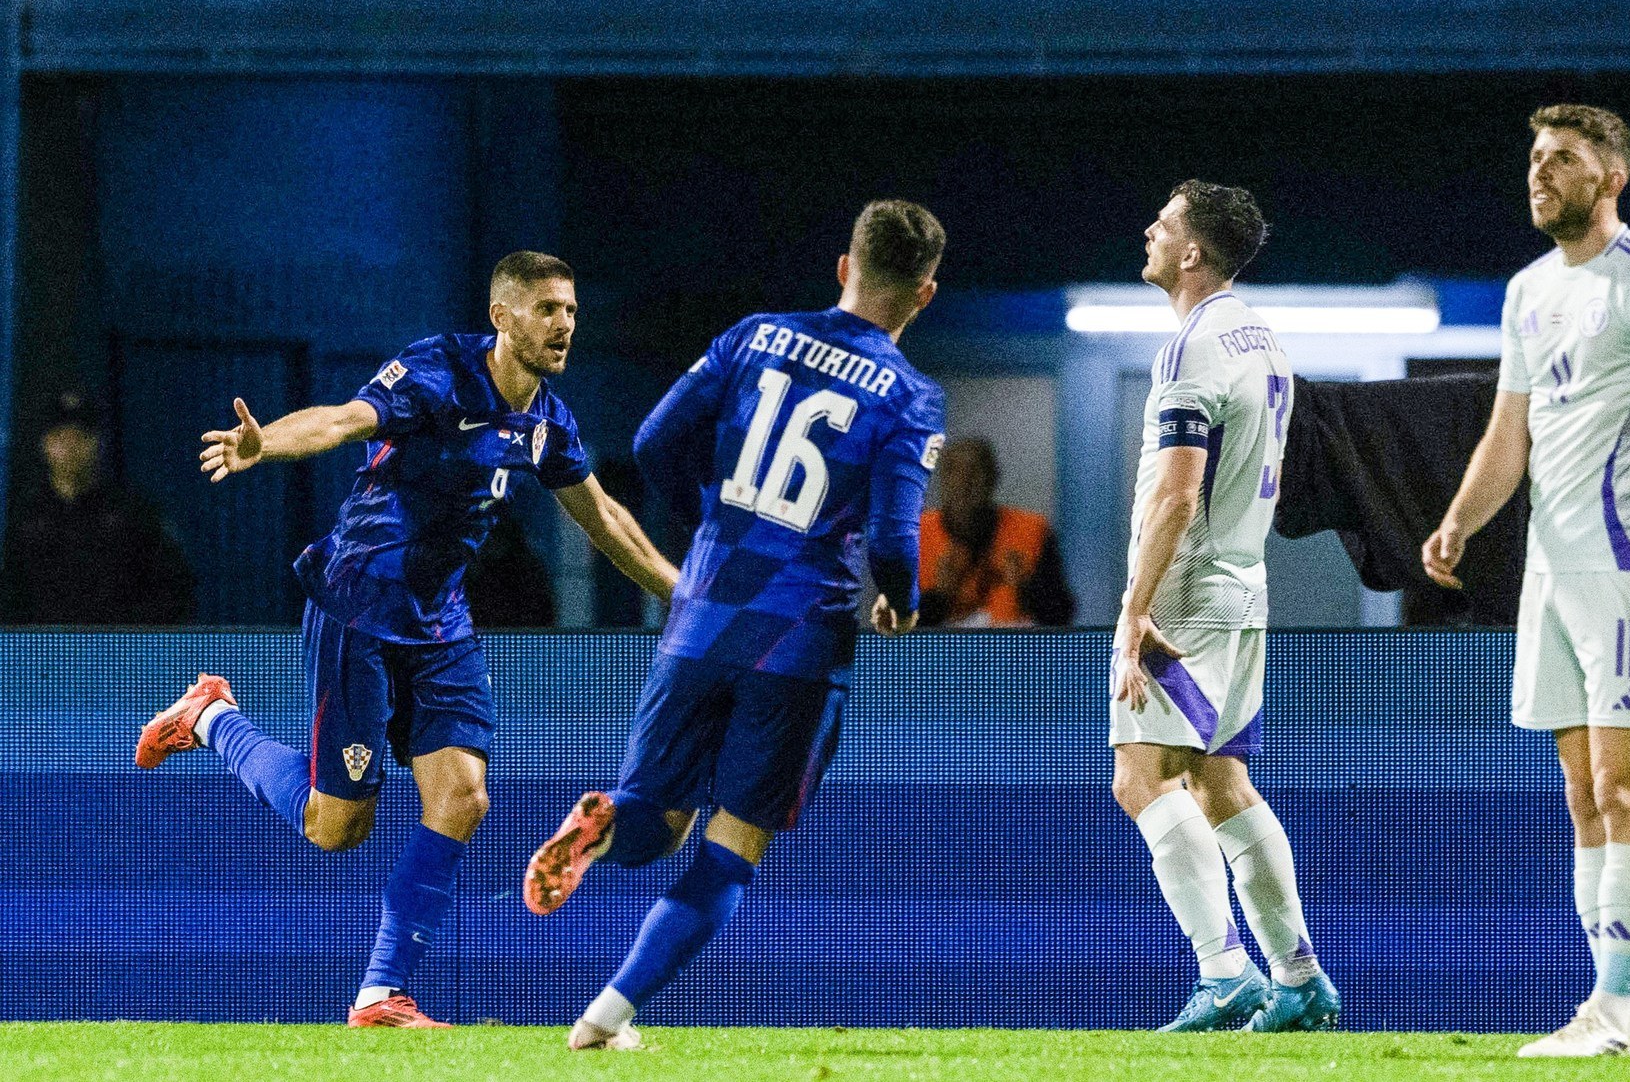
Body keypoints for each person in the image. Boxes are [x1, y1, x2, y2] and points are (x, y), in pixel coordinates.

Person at [133, 252, 678, 1027]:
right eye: (548, 309)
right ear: (503, 315)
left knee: (464, 795)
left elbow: (606, 518)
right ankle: (212, 717)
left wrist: (683, 596)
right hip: (359, 606)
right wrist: (268, 444)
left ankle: (380, 993)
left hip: (441, 621)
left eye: (572, 311)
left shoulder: (548, 421)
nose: (564, 325)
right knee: (335, 827)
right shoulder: (437, 371)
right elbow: (343, 419)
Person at [519, 200, 947, 1051]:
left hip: (700, 616)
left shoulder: (754, 335)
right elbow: (897, 538)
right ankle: (605, 1019)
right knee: (731, 844)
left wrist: (710, 527)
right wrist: (901, 597)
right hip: (799, 637)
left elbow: (649, 443)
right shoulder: (910, 394)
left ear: (843, 266)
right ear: (925, 295)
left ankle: (603, 824)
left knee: (654, 819)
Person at [1423, 105, 1630, 1057]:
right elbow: (1511, 431)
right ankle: (1607, 1006)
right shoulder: (1527, 290)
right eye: (1536, 160)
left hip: (1626, 564)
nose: (1541, 174)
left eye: (1564, 160)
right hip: (1551, 569)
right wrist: (1462, 519)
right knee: (1578, 789)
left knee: (1622, 782)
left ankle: (1624, 1008)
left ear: (1612, 177)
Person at [1109, 180, 1337, 1034]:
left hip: (1188, 591)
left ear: (1193, 252)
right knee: (1220, 780)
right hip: (1243, 580)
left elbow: (1176, 492)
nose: (1149, 231)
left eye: (1162, 224)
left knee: (1141, 778)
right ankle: (1299, 976)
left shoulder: (1191, 348)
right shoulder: (1261, 338)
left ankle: (1225, 972)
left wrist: (1135, 610)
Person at [0, 390, 195, 625]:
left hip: (116, 654)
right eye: (60, 436)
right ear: (45, 444)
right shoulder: (25, 516)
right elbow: (11, 593)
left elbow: (173, 589)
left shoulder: (132, 512)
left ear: (97, 443)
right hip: (41, 655)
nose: (71, 446)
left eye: (81, 435)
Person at [919, 437, 1075, 627]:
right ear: (941, 480)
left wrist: (1026, 587)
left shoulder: (1031, 531)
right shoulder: (916, 535)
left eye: (974, 472)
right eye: (954, 471)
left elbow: (1062, 615)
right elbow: (893, 625)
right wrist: (939, 596)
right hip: (943, 654)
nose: (963, 482)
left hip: (1015, 652)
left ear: (993, 478)